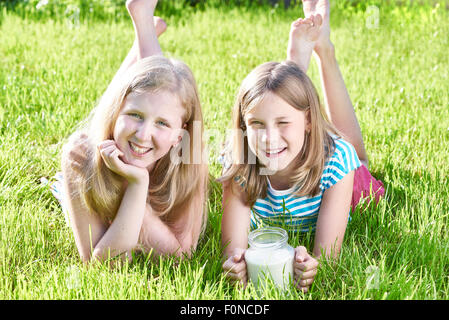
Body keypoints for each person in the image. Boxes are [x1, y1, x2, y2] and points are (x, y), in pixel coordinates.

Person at [219, 0, 384, 293]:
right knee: (283, 97)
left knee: (357, 158)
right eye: (256, 124)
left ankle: (324, 53)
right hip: (301, 142)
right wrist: (235, 265)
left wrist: (313, 266)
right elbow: (231, 251)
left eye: (282, 123)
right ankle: (296, 65)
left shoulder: (336, 163)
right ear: (244, 126)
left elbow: (328, 258)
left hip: (335, 171)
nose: (268, 137)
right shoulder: (240, 161)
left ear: (309, 122)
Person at [57, 0, 209, 264]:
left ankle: (144, 24)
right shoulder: (81, 157)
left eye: (162, 124)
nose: (142, 134)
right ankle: (144, 24)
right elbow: (103, 265)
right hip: (102, 136)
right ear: (117, 115)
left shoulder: (190, 159)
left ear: (179, 135)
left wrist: (134, 185)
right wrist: (136, 189)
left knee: (159, 90)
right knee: (143, 92)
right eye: (134, 116)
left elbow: (181, 256)